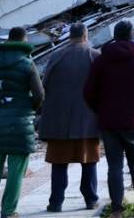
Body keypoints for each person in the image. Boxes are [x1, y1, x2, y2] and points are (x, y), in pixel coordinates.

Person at [84, 20, 134, 218]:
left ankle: (117, 210)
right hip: (133, 122)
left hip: (109, 123)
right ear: (132, 35)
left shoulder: (101, 60)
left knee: (114, 167)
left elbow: (89, 92)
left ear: (114, 36)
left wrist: (101, 111)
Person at [0, 26, 44, 218]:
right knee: (16, 170)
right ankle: (8, 211)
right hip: (20, 122)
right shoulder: (27, 63)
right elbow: (39, 94)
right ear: (24, 41)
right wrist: (29, 107)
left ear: (8, 40)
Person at [40, 23, 101, 213]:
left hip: (59, 121)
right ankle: (91, 200)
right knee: (89, 162)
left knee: (59, 163)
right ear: (85, 36)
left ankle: (55, 202)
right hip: (87, 120)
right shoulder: (95, 56)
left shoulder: (56, 56)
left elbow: (44, 86)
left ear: (70, 36)